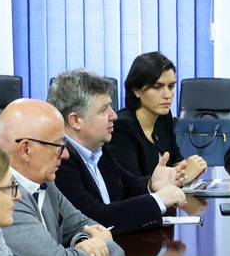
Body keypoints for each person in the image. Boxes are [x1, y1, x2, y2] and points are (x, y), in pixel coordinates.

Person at [0, 99, 123, 256]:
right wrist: (110, 249)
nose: (65, 154)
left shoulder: (44, 180)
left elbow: (85, 225)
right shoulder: (3, 194)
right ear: (26, 149)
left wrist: (83, 240)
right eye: (58, 146)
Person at [49, 67, 188, 231]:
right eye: (104, 110)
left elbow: (129, 186)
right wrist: (159, 200)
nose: (114, 115)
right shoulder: (59, 160)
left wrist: (152, 185)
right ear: (75, 120)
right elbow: (95, 219)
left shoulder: (98, 149)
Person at [106, 51, 209, 185]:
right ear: (136, 90)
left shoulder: (163, 117)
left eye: (171, 87)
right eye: (157, 87)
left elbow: (175, 159)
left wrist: (188, 167)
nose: (167, 95)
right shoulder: (122, 127)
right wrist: (184, 177)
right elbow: (133, 186)